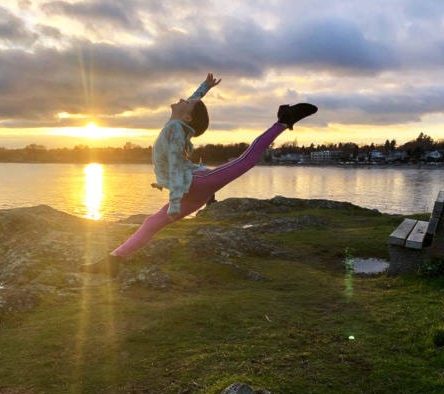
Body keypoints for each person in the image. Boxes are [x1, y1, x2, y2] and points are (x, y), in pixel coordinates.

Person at [83, 73, 317, 275]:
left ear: (187, 117)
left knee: (245, 160)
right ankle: (113, 262)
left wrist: (174, 200)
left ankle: (283, 121)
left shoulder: (175, 128)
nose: (184, 99)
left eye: (188, 102)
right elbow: (192, 103)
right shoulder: (176, 123)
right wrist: (205, 87)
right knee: (152, 222)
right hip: (193, 191)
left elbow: (175, 162)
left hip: (195, 183)